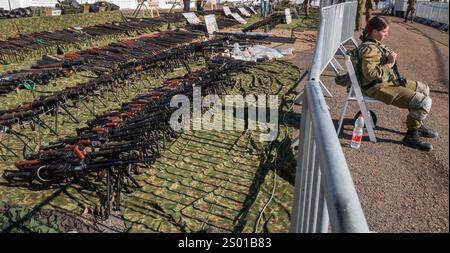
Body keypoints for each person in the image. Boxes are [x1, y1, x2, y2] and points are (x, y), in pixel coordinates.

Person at [357, 16, 438, 151]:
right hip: (378, 87)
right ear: (375, 31)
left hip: (387, 81)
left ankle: (417, 126)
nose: (387, 35)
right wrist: (389, 64)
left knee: (424, 89)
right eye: (384, 32)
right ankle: (411, 136)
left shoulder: (373, 43)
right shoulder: (369, 49)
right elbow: (370, 75)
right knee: (424, 102)